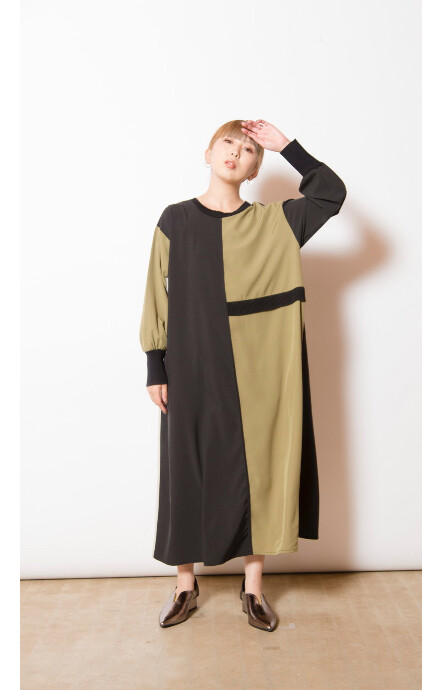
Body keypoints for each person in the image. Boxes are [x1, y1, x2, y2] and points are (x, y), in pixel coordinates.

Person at [139, 119, 347, 631]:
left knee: (260, 467)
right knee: (186, 467)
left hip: (259, 367)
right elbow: (156, 294)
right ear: (208, 152)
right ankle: (184, 585)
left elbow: (331, 194)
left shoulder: (276, 222)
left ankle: (253, 587)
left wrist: (287, 147)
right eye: (229, 142)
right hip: (190, 363)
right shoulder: (175, 219)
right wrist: (155, 365)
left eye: (250, 149)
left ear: (255, 170)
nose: (237, 152)